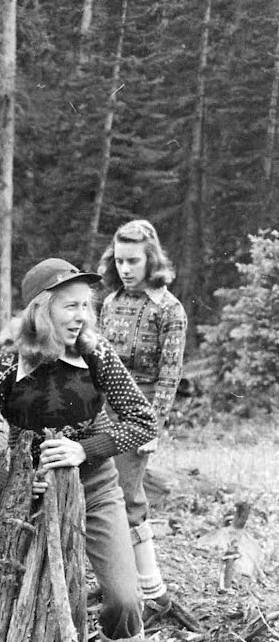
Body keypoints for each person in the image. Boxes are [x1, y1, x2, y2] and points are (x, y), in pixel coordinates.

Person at [0, 258, 157, 641]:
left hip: (95, 489)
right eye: (70, 305)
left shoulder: (96, 355)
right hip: (31, 499)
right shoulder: (4, 367)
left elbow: (143, 420)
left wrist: (84, 450)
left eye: (86, 305)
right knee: (16, 603)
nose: (82, 316)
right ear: (41, 310)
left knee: (125, 601)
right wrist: (13, 483)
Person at [98, 219, 187, 619]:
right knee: (109, 492)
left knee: (127, 493)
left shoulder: (170, 310)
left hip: (142, 409)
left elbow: (170, 377)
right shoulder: (110, 302)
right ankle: (134, 583)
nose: (126, 269)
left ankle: (150, 591)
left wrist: (154, 427)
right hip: (105, 409)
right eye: (119, 261)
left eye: (133, 261)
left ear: (150, 260)